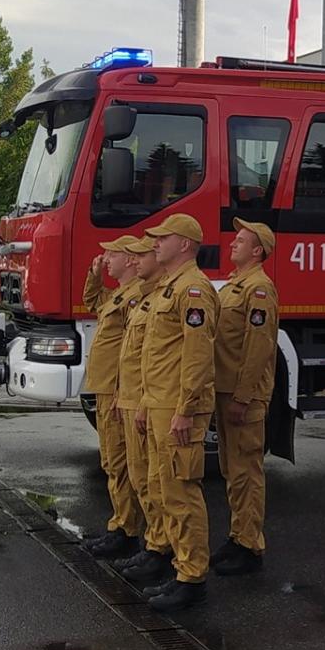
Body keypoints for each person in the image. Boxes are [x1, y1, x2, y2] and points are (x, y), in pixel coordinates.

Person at [132, 213, 219, 612]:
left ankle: (192, 579)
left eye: (162, 238)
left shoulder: (193, 290)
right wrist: (145, 404)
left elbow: (197, 357)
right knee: (162, 487)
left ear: (184, 244)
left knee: (182, 493)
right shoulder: (168, 288)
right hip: (158, 403)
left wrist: (185, 409)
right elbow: (157, 355)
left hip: (178, 407)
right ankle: (174, 564)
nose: (155, 244)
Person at [210, 218, 279, 576]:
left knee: (246, 471)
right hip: (224, 391)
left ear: (258, 251)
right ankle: (238, 536)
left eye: (240, 240)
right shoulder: (235, 286)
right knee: (231, 469)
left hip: (241, 396)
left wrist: (244, 396)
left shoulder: (259, 289)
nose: (232, 243)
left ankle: (250, 546)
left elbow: (258, 348)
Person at [78, 237, 148, 560]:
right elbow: (92, 299)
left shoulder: (135, 298)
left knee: (120, 463)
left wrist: (122, 391)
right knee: (111, 461)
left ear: (131, 259)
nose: (105, 257)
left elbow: (130, 352)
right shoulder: (118, 295)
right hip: (106, 389)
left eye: (111, 253)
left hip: (117, 389)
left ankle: (127, 530)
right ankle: (119, 523)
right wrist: (94, 274)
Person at [110, 238, 172, 575]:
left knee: (164, 484)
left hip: (157, 401)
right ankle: (154, 544)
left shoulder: (180, 294)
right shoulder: (151, 297)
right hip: (139, 398)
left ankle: (166, 553)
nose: (136, 261)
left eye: (141, 254)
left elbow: (187, 358)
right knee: (141, 476)